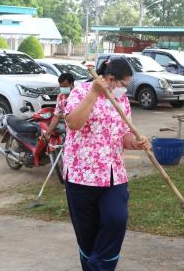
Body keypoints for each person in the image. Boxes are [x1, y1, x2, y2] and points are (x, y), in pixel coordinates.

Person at [64, 57, 151, 271]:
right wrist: (94, 93)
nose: (125, 90)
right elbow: (73, 123)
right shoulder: (81, 92)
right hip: (81, 175)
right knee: (87, 235)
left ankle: (98, 267)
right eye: (124, 84)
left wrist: (135, 142)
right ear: (111, 79)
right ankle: (93, 267)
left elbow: (123, 135)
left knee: (116, 219)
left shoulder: (122, 101)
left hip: (114, 175)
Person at [44, 72, 75, 139]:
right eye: (61, 86)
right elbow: (56, 116)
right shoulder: (61, 97)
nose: (63, 89)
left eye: (65, 86)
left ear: (72, 84)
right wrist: (48, 133)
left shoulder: (79, 95)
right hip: (69, 130)